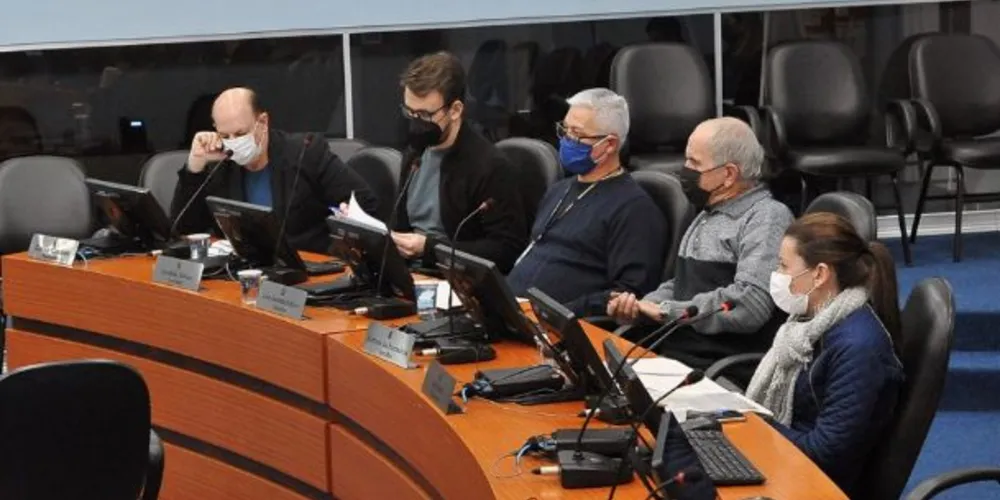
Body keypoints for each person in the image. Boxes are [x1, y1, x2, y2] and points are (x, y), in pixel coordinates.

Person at [607, 117, 793, 372]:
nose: (684, 170)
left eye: (694, 163)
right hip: (674, 358)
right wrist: (639, 307)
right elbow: (682, 286)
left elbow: (749, 306)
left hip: (718, 370)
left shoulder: (767, 217)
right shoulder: (708, 213)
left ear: (728, 175)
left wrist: (666, 311)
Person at [746, 212, 904, 496]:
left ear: (819, 274)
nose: (777, 275)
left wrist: (753, 422)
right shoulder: (808, 325)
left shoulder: (858, 348)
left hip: (818, 485)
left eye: (783, 266)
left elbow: (824, 454)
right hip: (788, 465)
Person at [507, 88, 665, 316]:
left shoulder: (634, 209)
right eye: (565, 129)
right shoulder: (559, 190)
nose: (566, 140)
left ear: (610, 144)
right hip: (514, 315)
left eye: (576, 134)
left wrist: (563, 313)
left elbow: (627, 297)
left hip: (563, 331)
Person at [171, 87, 378, 254]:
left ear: (263, 122)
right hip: (245, 272)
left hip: (309, 267)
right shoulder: (220, 164)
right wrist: (195, 166)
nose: (233, 142)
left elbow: (364, 204)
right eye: (225, 135)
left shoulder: (305, 152)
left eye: (241, 133)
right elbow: (184, 229)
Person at [391, 52, 527, 273]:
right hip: (410, 273)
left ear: (455, 111)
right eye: (410, 112)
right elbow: (401, 226)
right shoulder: (415, 153)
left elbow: (506, 250)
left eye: (424, 115)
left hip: (456, 279)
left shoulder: (490, 166)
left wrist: (429, 249)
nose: (416, 123)